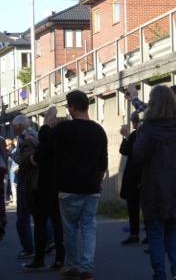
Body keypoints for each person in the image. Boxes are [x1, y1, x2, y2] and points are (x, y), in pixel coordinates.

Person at [42, 90, 108, 280]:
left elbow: (44, 137)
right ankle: (87, 266)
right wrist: (98, 182)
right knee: (88, 227)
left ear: (71, 107)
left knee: (70, 229)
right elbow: (102, 163)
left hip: (68, 188)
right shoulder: (98, 130)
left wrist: (49, 119)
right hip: (92, 188)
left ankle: (72, 265)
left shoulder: (65, 129)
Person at [132, 85, 176, 280]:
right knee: (172, 229)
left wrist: (138, 133)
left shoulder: (149, 128)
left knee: (155, 232)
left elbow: (138, 155)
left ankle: (160, 274)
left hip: (154, 184)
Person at [22, 118, 66, 271]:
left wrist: (46, 125)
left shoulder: (46, 144)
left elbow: (35, 158)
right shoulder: (63, 144)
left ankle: (39, 259)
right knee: (59, 224)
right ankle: (61, 259)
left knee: (40, 224)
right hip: (60, 188)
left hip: (43, 188)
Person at [12, 115, 37, 259]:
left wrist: (14, 155)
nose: (13, 129)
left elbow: (19, 158)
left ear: (19, 126)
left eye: (14, 126)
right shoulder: (36, 134)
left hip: (26, 178)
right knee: (39, 214)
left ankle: (28, 248)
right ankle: (48, 241)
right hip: (36, 179)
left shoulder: (23, 137)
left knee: (23, 216)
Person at [119, 113, 144, 245]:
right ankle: (150, 235)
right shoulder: (149, 135)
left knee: (133, 207)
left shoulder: (136, 135)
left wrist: (125, 136)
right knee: (146, 207)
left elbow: (124, 150)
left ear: (134, 122)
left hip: (134, 177)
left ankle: (134, 234)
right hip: (146, 176)